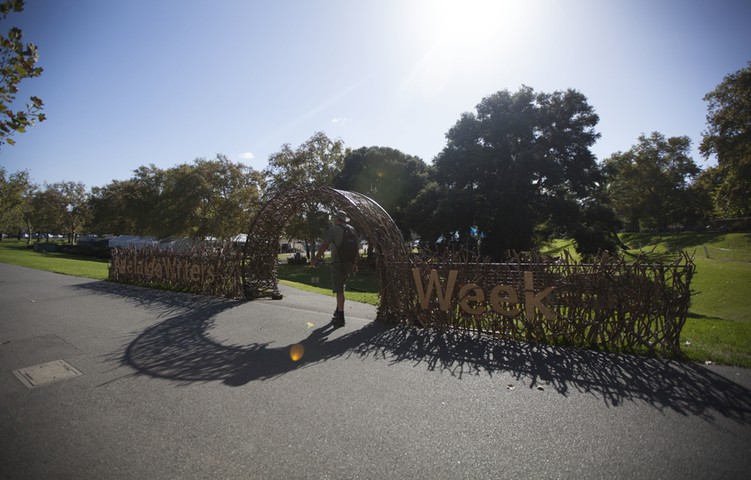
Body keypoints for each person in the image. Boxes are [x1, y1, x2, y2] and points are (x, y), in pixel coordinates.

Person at [310, 210, 358, 327]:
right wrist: (355, 264)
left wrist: (315, 259)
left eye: (334, 218)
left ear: (337, 219)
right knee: (342, 286)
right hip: (349, 262)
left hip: (337, 262)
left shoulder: (334, 229)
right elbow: (356, 248)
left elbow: (325, 246)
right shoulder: (352, 229)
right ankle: (337, 311)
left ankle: (341, 316)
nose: (333, 220)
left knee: (339, 290)